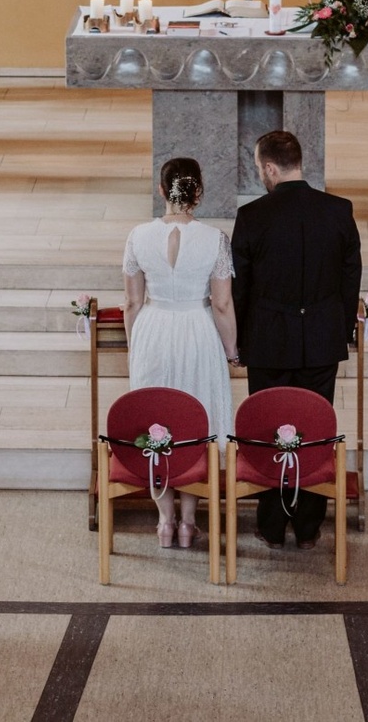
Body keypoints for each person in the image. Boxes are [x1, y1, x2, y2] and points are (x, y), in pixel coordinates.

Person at [231, 130, 362, 549]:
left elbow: (241, 289)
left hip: (268, 341)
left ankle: (272, 525)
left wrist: (239, 343)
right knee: (314, 429)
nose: (260, 176)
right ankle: (308, 526)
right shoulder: (339, 211)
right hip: (321, 340)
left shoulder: (252, 216)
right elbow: (349, 279)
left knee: (269, 429)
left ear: (270, 167)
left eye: (258, 169)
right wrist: (338, 331)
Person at [122, 157, 239, 549]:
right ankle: (189, 522)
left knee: (157, 421)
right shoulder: (215, 239)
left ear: (161, 190)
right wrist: (231, 350)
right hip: (197, 330)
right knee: (196, 423)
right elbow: (222, 305)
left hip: (154, 329)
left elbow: (132, 303)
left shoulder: (138, 235)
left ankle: (164, 522)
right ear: (199, 193)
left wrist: (134, 347)